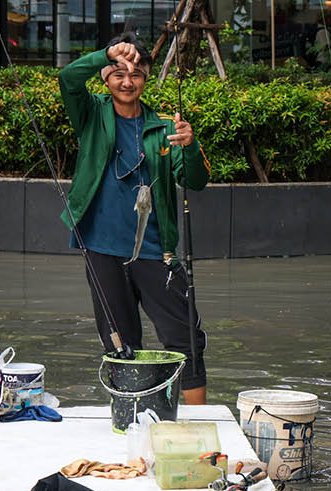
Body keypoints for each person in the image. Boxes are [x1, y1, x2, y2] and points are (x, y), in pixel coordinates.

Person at [58, 32, 211, 405]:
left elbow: (195, 180)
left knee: (185, 337)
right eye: (118, 72)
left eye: (136, 73)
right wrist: (103, 53)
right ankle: (131, 425)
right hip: (101, 249)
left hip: (156, 252)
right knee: (119, 342)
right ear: (106, 77)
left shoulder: (164, 126)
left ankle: (198, 427)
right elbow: (68, 79)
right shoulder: (91, 113)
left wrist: (189, 147)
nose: (127, 81)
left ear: (146, 77)